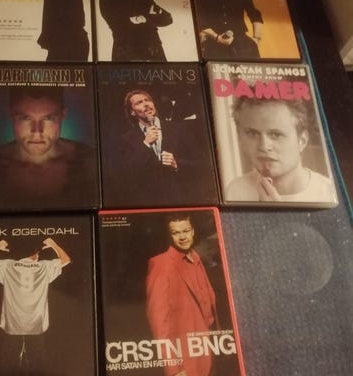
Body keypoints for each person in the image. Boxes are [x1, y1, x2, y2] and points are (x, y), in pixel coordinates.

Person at [0, 86, 97, 210]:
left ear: (63, 115)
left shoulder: (89, 161)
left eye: (48, 118)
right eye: (25, 118)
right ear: (10, 114)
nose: (36, 131)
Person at [0, 238, 71, 373]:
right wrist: (54, 245)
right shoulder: (44, 267)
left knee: (8, 366)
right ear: (34, 254)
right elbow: (66, 259)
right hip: (36, 325)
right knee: (37, 366)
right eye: (37, 253)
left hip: (12, 325)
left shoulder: (7, 266)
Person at [225, 96, 336, 203]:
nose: (264, 147)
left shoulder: (328, 193)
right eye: (252, 133)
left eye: (276, 134)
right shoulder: (235, 190)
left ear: (302, 141)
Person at [146, 214, 217, 376]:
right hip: (187, 364)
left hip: (211, 356)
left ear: (193, 231)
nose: (182, 237)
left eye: (185, 231)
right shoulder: (161, 265)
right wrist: (174, 368)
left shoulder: (197, 259)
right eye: (176, 233)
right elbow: (159, 323)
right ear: (170, 235)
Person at [108, 90, 202, 206]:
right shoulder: (126, 139)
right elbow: (124, 176)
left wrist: (176, 164)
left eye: (147, 100)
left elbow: (202, 164)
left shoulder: (180, 129)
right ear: (132, 112)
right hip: (147, 203)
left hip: (180, 199)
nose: (146, 104)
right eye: (139, 102)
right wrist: (145, 144)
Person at [99, 0, 173, 61]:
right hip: (126, 54)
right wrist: (150, 17)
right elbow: (118, 23)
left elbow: (168, 18)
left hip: (155, 52)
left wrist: (142, 18)